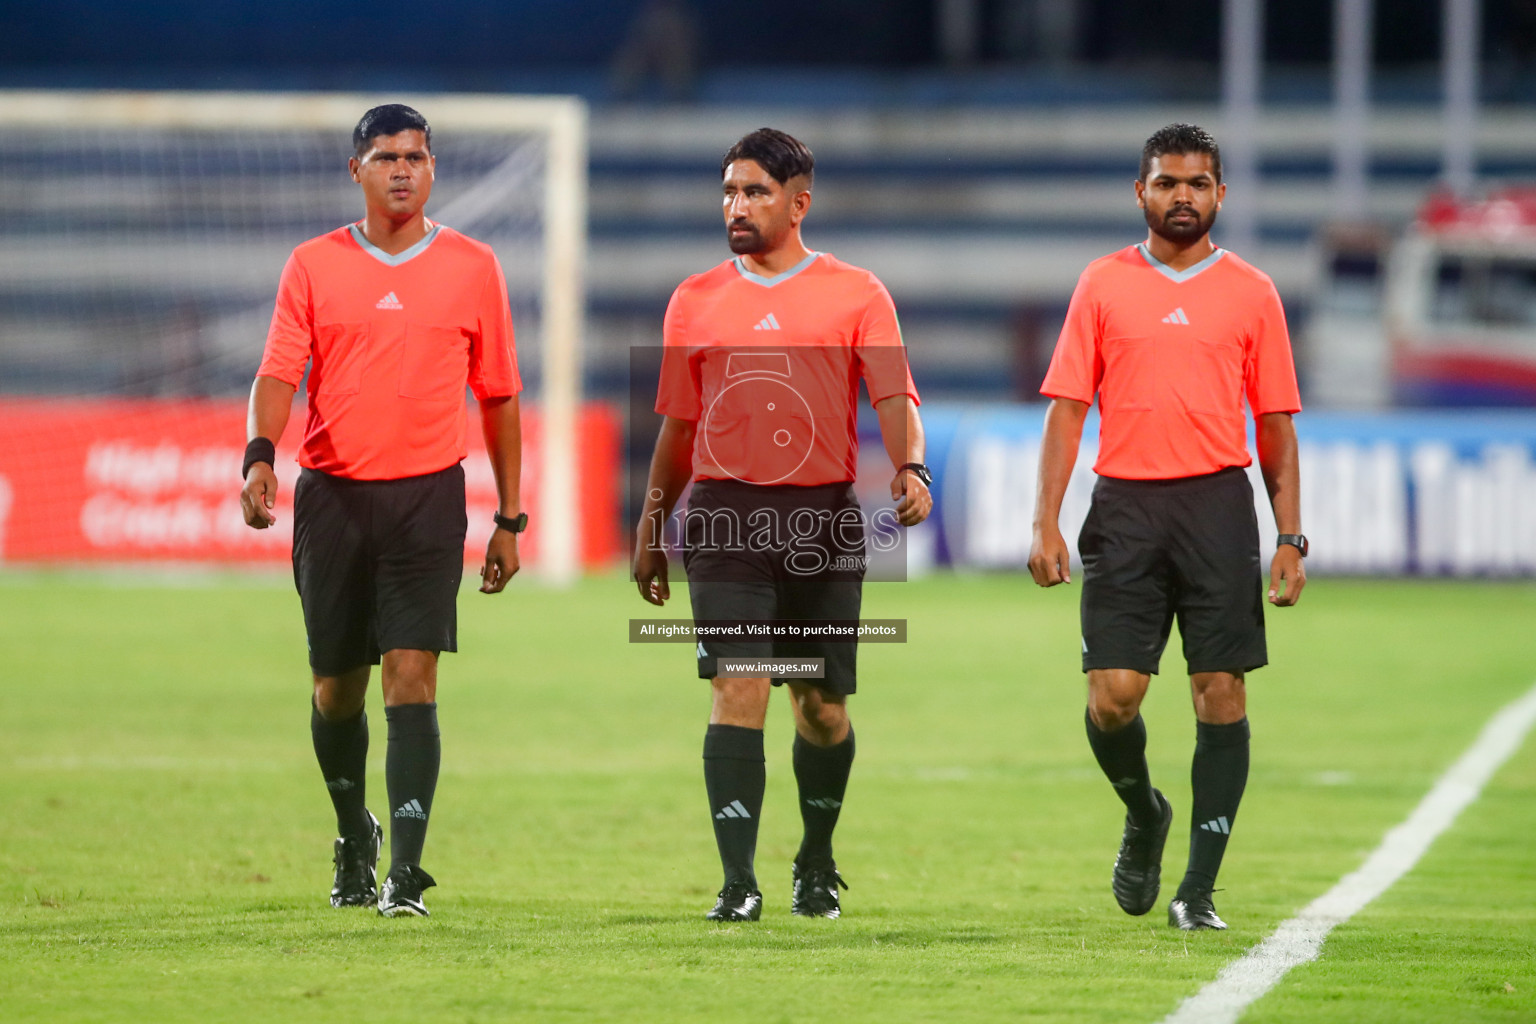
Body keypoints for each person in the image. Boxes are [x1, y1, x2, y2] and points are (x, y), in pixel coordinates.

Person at [632, 128, 933, 922]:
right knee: (739, 688)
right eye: (729, 191)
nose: (736, 206)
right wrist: (652, 524)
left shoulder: (858, 292)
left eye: (755, 192)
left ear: (799, 203)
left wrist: (911, 467)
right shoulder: (693, 298)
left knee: (821, 705)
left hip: (822, 522)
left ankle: (816, 856)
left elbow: (896, 397)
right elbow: (675, 425)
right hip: (725, 516)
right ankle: (737, 881)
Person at [239, 104, 525, 918]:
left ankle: (405, 870)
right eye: (386, 157)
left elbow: (499, 394)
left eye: (417, 156)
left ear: (432, 169)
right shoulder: (312, 265)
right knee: (338, 688)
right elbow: (277, 373)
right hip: (331, 497)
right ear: (356, 171)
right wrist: (260, 455)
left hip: (428, 499)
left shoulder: (474, 265)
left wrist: (511, 516)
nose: (404, 169)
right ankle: (352, 833)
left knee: (413, 675)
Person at [1027, 123, 1306, 931]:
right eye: (1165, 182)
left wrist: (1290, 536)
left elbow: (1277, 423)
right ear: (1140, 192)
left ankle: (1198, 890)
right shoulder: (1101, 284)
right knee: (1114, 698)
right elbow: (1068, 410)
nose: (1181, 195)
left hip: (1218, 505)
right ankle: (1145, 812)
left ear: (1221, 194)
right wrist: (1046, 521)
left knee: (1220, 692)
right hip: (1125, 508)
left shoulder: (1253, 291)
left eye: (1197, 182)